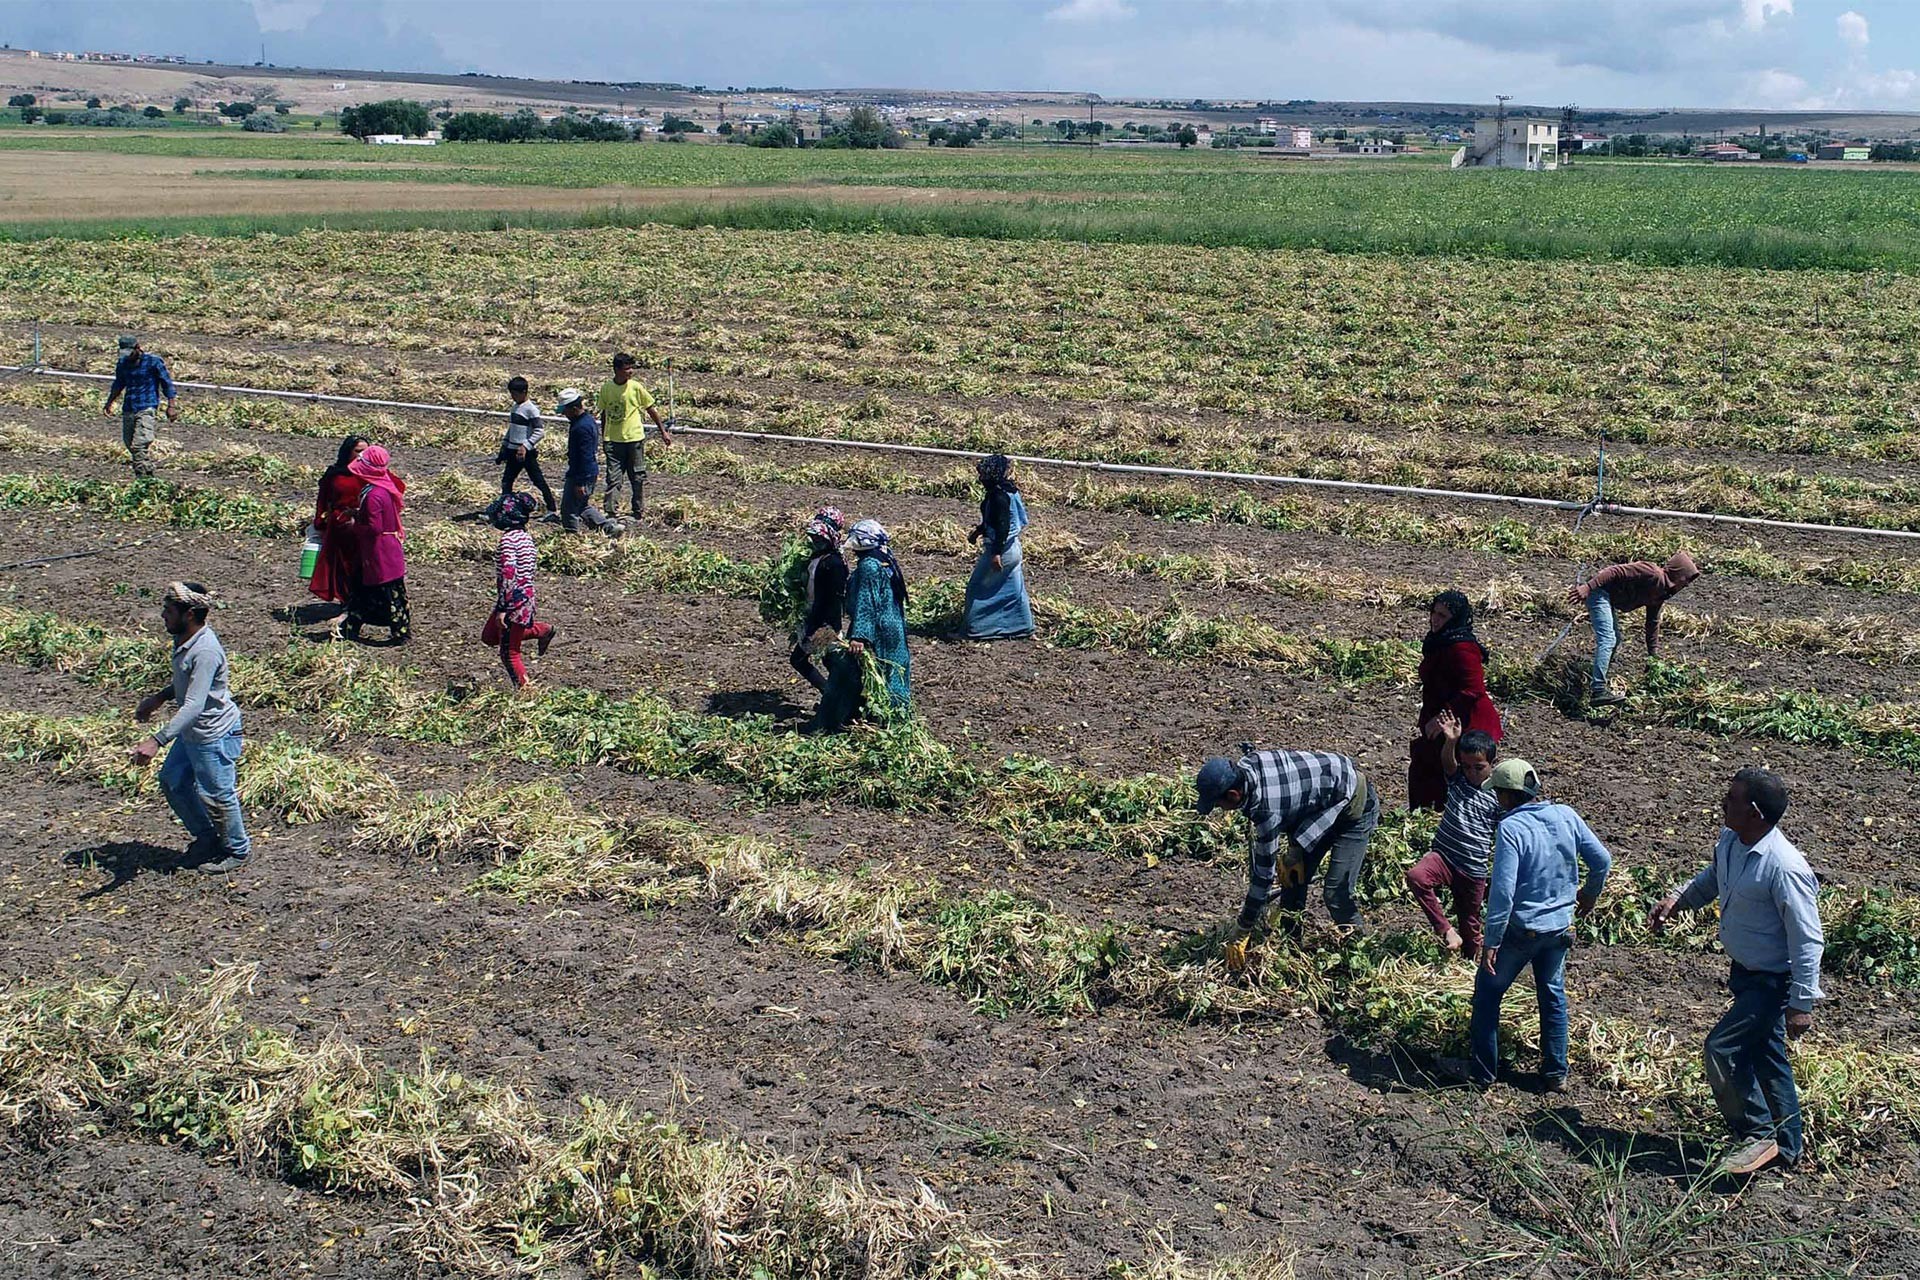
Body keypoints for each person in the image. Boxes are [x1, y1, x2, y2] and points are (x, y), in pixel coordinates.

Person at [1649, 768, 1823, 1177]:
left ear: (1757, 813)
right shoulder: (1732, 840)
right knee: (1767, 1056)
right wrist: (1678, 899)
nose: (1723, 803)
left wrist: (1802, 1002)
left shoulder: (1785, 867)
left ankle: (1756, 1131)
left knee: (1721, 1049)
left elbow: (1808, 940)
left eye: (1733, 799)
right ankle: (1787, 1148)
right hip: (1744, 973)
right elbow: (1714, 879)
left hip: (1772, 981)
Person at [1448, 758, 1611, 1091]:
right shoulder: (1566, 815)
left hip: (1524, 929)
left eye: (1499, 795)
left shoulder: (1511, 828)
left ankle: (1482, 1072)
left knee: (1487, 992)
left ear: (1507, 796)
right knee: (1552, 994)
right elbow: (1602, 861)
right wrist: (1589, 896)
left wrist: (1491, 940)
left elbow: (1504, 891)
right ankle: (1555, 1072)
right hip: (1560, 927)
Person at [1194, 748, 1380, 970]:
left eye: (1218, 804)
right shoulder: (1248, 765)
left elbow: (1263, 878)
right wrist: (1295, 850)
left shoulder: (1266, 810)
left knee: (1335, 892)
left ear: (1234, 795)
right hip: (1322, 805)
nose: (1220, 809)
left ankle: (1364, 954)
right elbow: (1296, 799)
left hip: (1354, 806)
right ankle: (1292, 949)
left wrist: (1242, 929)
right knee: (1292, 878)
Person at [129, 582, 250, 874]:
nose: (163, 616)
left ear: (191, 614)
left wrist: (157, 740)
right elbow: (187, 683)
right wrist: (159, 697)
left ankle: (238, 849)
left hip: (213, 734)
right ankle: (207, 838)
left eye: (169, 611)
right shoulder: (185, 639)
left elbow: (195, 705)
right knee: (173, 781)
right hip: (192, 731)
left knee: (218, 794)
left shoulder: (205, 651)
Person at [1404, 711, 1498, 958]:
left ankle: (1471, 962)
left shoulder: (1498, 796)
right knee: (1417, 877)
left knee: (1470, 922)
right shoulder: (1459, 781)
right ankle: (1445, 929)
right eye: (1467, 766)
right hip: (1444, 856)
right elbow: (1448, 763)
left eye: (1479, 767)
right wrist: (1451, 742)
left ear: (1491, 765)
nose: (1471, 772)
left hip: (1473, 869)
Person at [1568, 552, 1703, 706]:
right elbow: (1614, 571)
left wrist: (1652, 656)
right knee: (1608, 639)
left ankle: (1597, 676)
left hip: (1609, 598)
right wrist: (1588, 587)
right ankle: (1598, 690)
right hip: (1599, 592)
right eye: (1686, 579)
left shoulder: (1661, 593)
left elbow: (1652, 622)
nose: (1686, 585)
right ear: (1677, 574)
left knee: (1616, 639)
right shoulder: (1651, 572)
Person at [1409, 590, 1501, 810]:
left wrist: (1439, 720)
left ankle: (1450, 816)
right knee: (1427, 765)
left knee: (1454, 772)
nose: (1435, 619)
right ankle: (1427, 813)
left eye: (1442, 616)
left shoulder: (1462, 648)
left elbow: (1473, 690)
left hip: (1467, 720)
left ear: (1455, 619)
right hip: (1447, 714)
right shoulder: (1440, 640)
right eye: (1434, 613)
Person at [963, 453, 1035, 641]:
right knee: (1013, 588)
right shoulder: (1008, 489)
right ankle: (1021, 626)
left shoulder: (998, 496)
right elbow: (999, 521)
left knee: (978, 588)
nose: (980, 478)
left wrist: (995, 554)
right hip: (1013, 548)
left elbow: (1003, 526)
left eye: (982, 474)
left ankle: (978, 629)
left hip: (1002, 550)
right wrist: (979, 531)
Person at [488, 492, 556, 689]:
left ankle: (526, 691)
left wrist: (503, 608)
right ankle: (542, 630)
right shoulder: (525, 537)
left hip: (513, 600)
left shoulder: (508, 541)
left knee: (509, 653)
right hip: (525, 596)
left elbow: (509, 574)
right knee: (490, 636)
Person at [344, 444, 410, 645]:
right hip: (387, 550)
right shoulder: (382, 489)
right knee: (378, 592)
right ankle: (351, 628)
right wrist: (357, 513)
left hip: (380, 552)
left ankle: (398, 633)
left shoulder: (373, 495)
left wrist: (355, 525)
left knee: (384, 593)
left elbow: (374, 527)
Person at [595, 352, 674, 520]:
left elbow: (651, 409)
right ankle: (610, 511)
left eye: (631, 368)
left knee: (637, 477)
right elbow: (604, 413)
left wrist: (663, 431)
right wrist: (603, 436)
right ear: (616, 370)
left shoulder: (636, 387)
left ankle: (638, 511)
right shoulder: (607, 388)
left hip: (635, 440)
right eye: (626, 369)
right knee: (614, 478)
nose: (630, 371)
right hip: (614, 441)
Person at [846, 519, 911, 713]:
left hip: (880, 628)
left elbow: (867, 601)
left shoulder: (869, 566)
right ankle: (897, 712)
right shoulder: (885, 558)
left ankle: (886, 713)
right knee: (895, 670)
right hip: (894, 623)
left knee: (882, 671)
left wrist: (860, 635)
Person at [101, 334, 179, 480]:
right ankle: (148, 473)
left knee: (140, 443)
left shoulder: (153, 362)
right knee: (130, 444)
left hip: (147, 406)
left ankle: (142, 478)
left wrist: (171, 406)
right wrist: (109, 402)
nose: (128, 356)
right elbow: (119, 384)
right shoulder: (123, 363)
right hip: (129, 406)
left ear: (138, 348)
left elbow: (166, 383)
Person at [789, 507, 850, 693]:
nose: (815, 540)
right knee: (830, 663)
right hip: (817, 620)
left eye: (819, 537)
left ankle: (834, 696)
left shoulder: (834, 564)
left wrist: (816, 627)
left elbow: (831, 600)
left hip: (825, 625)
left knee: (804, 660)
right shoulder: (818, 558)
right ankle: (836, 697)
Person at [308, 435, 369, 619]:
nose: (362, 455)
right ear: (348, 452)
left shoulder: (371, 472)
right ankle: (347, 601)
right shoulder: (335, 474)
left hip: (364, 525)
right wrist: (320, 522)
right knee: (342, 565)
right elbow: (323, 499)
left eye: (366, 451)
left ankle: (361, 600)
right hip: (339, 526)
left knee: (362, 564)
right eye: (358, 451)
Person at [557, 388, 622, 536]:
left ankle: (571, 537)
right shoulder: (587, 421)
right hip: (588, 472)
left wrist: (580, 482)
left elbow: (584, 456)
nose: (563, 414)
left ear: (574, 408)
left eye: (564, 410)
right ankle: (608, 528)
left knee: (569, 510)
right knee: (581, 506)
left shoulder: (581, 428)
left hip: (581, 474)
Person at [499, 376, 558, 515]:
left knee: (538, 481)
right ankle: (504, 509)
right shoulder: (515, 408)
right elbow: (512, 429)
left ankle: (552, 509)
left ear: (524, 392)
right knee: (507, 481)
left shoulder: (531, 409)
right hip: (513, 451)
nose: (513, 397)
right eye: (511, 394)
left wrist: (525, 446)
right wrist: (504, 446)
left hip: (526, 454)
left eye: (515, 394)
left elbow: (539, 431)